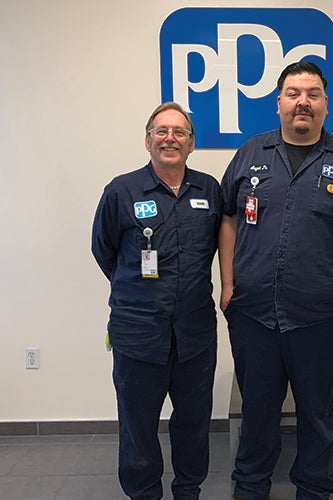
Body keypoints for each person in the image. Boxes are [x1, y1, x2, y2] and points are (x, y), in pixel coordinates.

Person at [219, 61, 333, 500]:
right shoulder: (251, 153)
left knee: (316, 416)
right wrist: (228, 283)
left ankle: (313, 489)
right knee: (256, 413)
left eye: (313, 94)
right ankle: (250, 489)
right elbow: (229, 218)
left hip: (323, 318)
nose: (303, 102)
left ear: (325, 105)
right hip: (253, 315)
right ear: (278, 104)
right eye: (294, 93)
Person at [91, 102, 222, 500]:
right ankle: (144, 493)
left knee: (194, 423)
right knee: (138, 425)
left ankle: (188, 490)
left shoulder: (209, 190)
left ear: (191, 144)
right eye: (161, 131)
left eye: (179, 132)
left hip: (195, 335)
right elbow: (104, 251)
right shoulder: (121, 190)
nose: (170, 138)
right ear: (148, 140)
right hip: (138, 334)